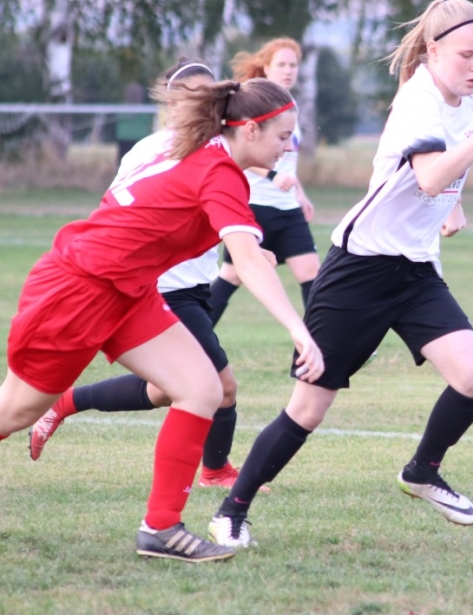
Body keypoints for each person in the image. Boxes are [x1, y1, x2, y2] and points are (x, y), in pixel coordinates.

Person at [208, 0, 473, 549]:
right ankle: (232, 510)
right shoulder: (419, 100)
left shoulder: (469, 99)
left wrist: (454, 204)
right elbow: (429, 176)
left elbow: (440, 175)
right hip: (360, 269)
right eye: (466, 55)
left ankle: (422, 471)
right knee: (308, 409)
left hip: (415, 270)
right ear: (433, 50)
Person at [0, 73, 325, 563]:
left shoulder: (204, 153)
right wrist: (301, 332)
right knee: (14, 412)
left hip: (127, 292)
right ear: (250, 130)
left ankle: (161, 529)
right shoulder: (218, 170)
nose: (289, 146)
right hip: (78, 291)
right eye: (283, 136)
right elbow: (245, 259)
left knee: (202, 390)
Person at [28, 59, 269, 491]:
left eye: (210, 94)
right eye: (192, 96)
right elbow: (122, 214)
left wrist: (247, 247)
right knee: (220, 387)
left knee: (166, 390)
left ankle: (65, 403)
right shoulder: (152, 149)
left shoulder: (219, 149)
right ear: (172, 104)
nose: (204, 103)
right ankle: (215, 472)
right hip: (163, 288)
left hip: (196, 286)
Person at [208, 37, 319, 324]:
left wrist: (300, 194)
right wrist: (271, 175)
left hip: (288, 208)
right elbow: (241, 153)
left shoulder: (290, 106)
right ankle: (195, 335)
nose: (288, 71)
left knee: (311, 272)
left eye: (293, 65)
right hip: (257, 205)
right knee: (232, 275)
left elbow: (288, 160)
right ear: (266, 68)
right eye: (281, 64)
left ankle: (314, 346)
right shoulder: (256, 103)